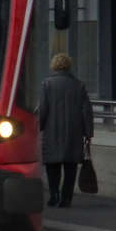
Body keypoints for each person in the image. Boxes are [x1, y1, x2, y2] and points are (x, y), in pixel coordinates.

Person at [37, 53, 94, 207]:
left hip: (52, 131)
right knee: (70, 166)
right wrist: (88, 133)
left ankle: (54, 194)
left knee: (52, 165)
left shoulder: (46, 84)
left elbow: (43, 108)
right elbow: (86, 110)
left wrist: (38, 127)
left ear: (53, 66)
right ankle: (66, 197)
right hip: (74, 132)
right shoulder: (78, 85)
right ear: (69, 66)